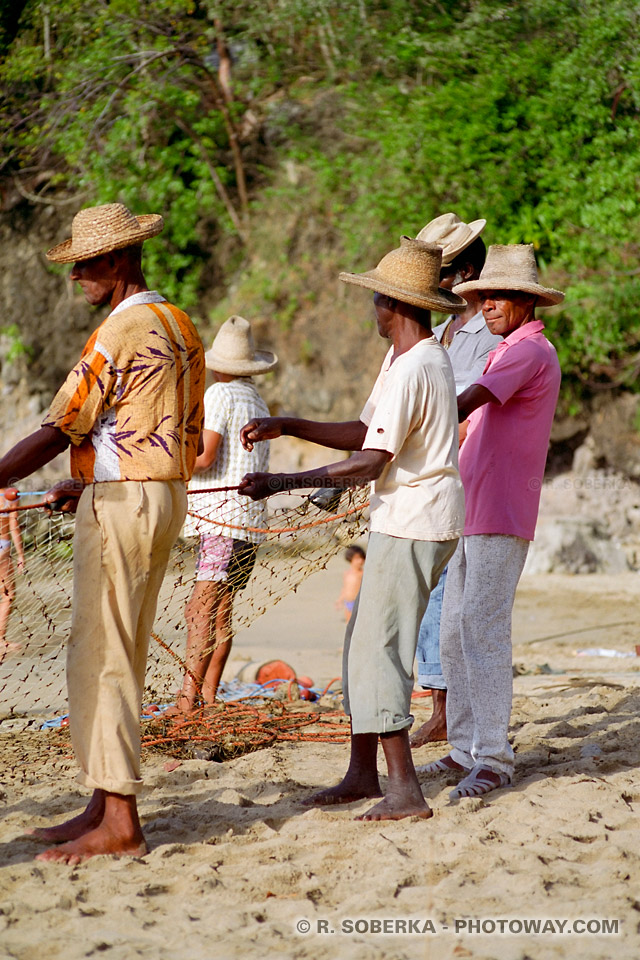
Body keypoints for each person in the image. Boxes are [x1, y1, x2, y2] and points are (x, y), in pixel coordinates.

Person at [0, 202, 205, 863]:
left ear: (116, 262)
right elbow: (167, 430)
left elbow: (62, 425)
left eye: (85, 265)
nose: (76, 278)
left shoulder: (118, 332)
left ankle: (120, 821)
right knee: (122, 647)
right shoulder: (179, 323)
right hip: (162, 495)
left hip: (124, 506)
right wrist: (87, 481)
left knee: (103, 656)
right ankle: (100, 800)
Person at [239, 238, 465, 821]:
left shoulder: (418, 365)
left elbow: (371, 461)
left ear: (395, 304)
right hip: (407, 518)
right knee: (361, 642)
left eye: (375, 300)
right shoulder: (405, 360)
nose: (372, 311)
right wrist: (288, 425)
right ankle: (363, 774)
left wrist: (282, 483)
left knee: (380, 650)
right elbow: (365, 432)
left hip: (415, 523)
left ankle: (405, 792)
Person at [423, 243, 563, 799]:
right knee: (455, 629)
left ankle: (495, 757)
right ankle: (463, 748)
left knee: (481, 627)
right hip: (473, 504)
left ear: (527, 302)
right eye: (483, 297)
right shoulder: (504, 350)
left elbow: (463, 403)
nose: (488, 306)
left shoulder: (528, 352)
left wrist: (399, 416)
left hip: (502, 508)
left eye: (501, 296)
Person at [410, 213, 502, 746]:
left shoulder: (486, 335)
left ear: (464, 272)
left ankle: (447, 709)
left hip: (460, 476)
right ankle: (442, 704)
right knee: (436, 593)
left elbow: (472, 416)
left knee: (448, 595)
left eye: (441, 274)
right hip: (437, 472)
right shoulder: (445, 331)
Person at [168, 315, 277, 714]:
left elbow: (205, 456)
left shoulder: (218, 395)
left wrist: (166, 457)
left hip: (221, 519)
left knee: (199, 607)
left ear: (216, 365)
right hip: (250, 523)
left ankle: (186, 699)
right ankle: (208, 695)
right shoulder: (257, 401)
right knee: (221, 611)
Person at [0, 489, 25, 658]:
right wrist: (21, 556)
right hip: (1, 546)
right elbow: (14, 528)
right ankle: (0, 640)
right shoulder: (10, 495)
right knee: (8, 594)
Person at [335, 545, 366, 623]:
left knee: (357, 623)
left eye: (362, 558)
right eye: (357, 558)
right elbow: (345, 588)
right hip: (347, 602)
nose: (360, 561)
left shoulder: (363, 574)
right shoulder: (347, 573)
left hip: (357, 603)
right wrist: (340, 600)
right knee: (349, 623)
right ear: (350, 558)